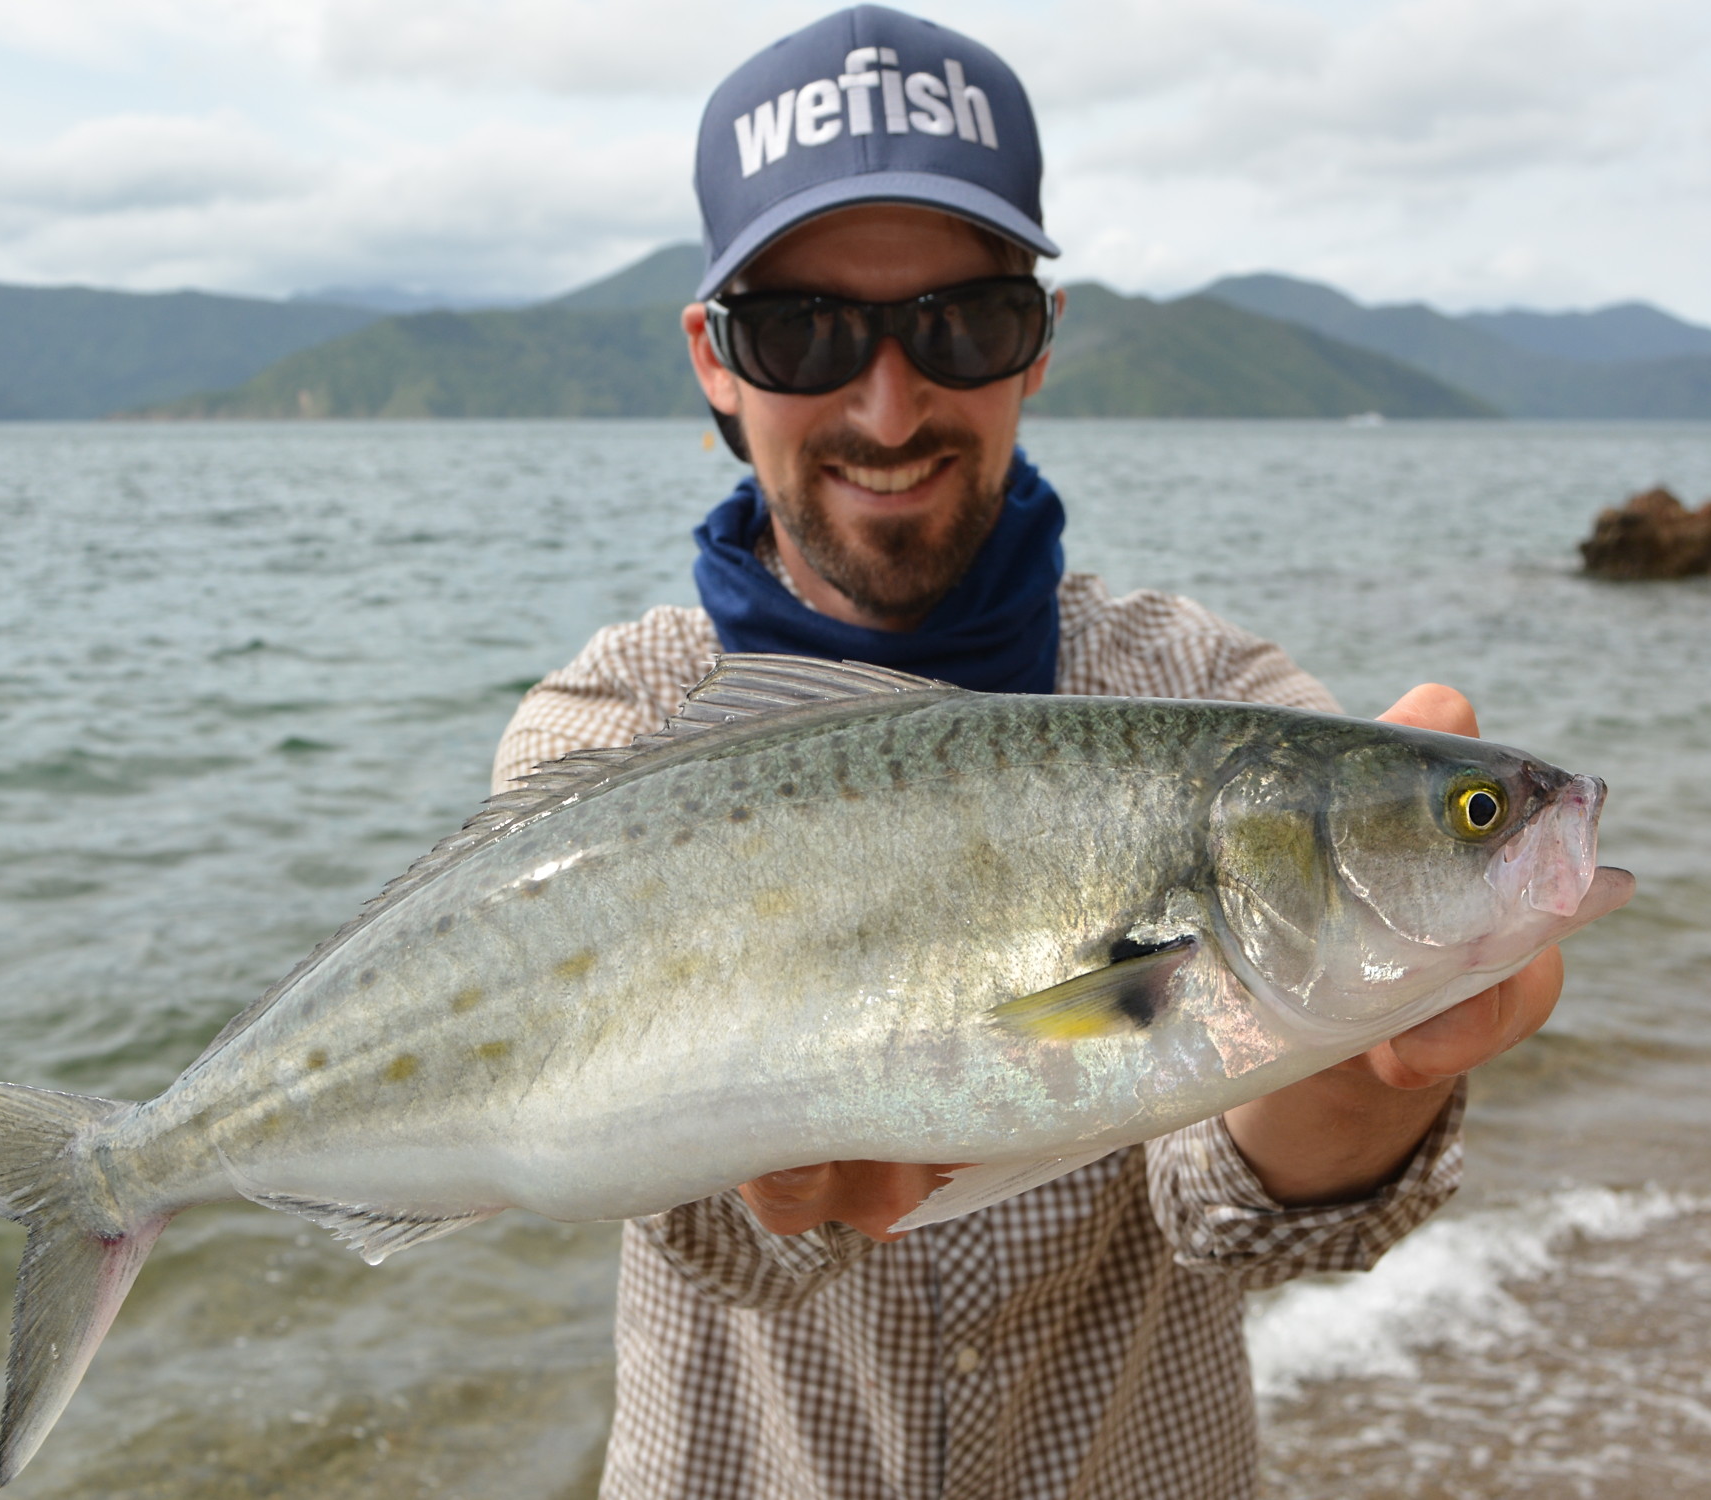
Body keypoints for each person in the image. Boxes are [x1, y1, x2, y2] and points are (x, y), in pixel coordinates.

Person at [492, 9, 1562, 1497]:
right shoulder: (611, 736)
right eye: (800, 329)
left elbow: (1250, 1213)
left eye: (960, 325)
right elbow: (700, 1224)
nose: (886, 403)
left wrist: (1379, 1049)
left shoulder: (1213, 696)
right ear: (715, 362)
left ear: (1038, 340)